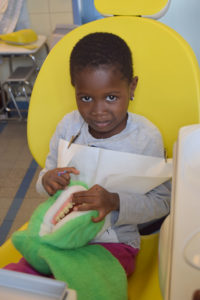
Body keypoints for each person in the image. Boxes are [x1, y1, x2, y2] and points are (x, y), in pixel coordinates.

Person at [5, 32, 171, 277]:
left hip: (115, 243)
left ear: (132, 87)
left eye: (111, 97)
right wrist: (47, 180)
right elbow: (44, 182)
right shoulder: (68, 127)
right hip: (62, 231)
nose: (98, 111)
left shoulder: (146, 138)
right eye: (85, 98)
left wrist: (115, 201)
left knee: (89, 279)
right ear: (75, 89)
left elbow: (163, 202)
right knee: (23, 274)